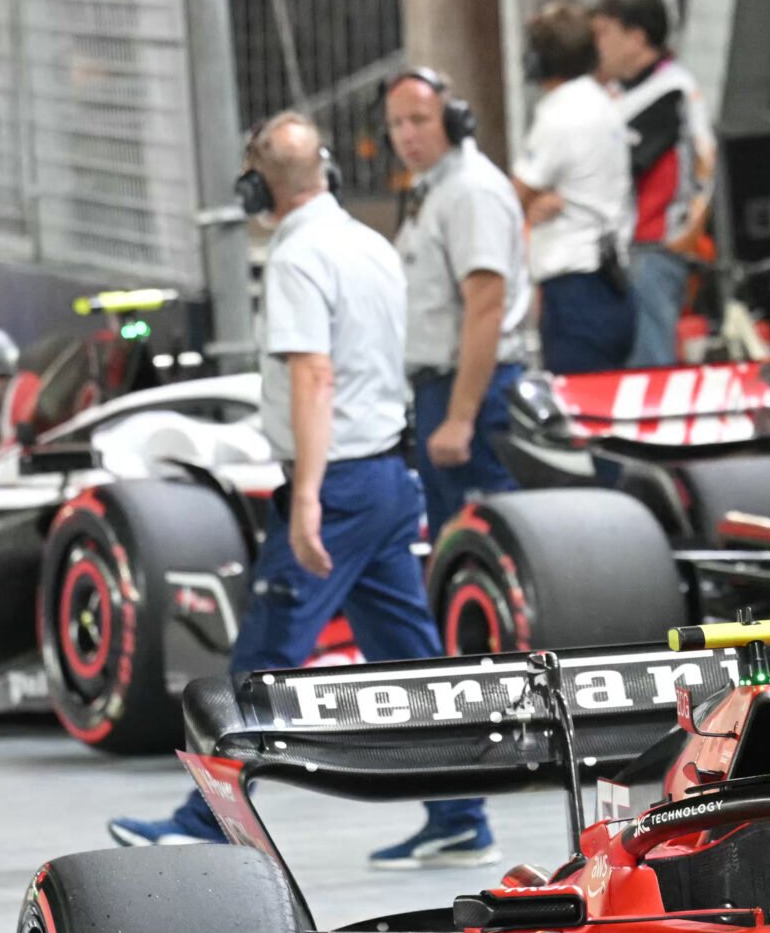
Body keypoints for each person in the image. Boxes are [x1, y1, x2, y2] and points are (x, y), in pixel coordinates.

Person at [109, 114, 495, 867]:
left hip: (340, 482)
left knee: (263, 654)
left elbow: (313, 377)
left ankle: (207, 817)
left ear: (257, 184)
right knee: (409, 659)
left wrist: (309, 496)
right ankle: (459, 812)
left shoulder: (296, 257)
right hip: (386, 472)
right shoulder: (370, 243)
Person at [385, 65, 532, 537]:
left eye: (419, 119)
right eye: (396, 124)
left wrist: (460, 418)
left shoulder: (470, 192)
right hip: (442, 391)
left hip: (473, 394)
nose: (407, 135)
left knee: (484, 542)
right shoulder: (436, 189)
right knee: (453, 545)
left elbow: (486, 306)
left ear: (452, 120)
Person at [593, 0, 719, 369]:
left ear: (636, 37)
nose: (597, 46)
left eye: (604, 34)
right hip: (629, 250)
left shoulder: (669, 93)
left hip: (654, 248)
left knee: (649, 368)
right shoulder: (624, 92)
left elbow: (618, 166)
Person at [512, 0, 635, 373]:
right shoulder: (603, 104)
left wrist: (527, 206)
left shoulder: (559, 115)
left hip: (574, 292)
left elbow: (510, 198)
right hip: (613, 286)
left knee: (579, 416)